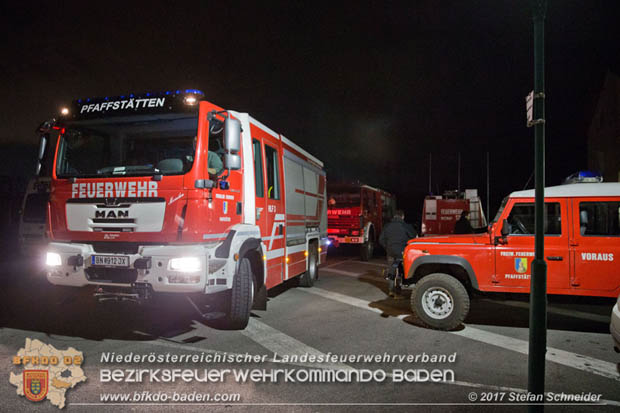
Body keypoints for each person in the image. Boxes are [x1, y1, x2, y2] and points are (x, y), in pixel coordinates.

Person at [379, 209, 417, 298]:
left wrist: (387, 247)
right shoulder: (406, 226)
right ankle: (399, 291)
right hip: (402, 252)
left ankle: (391, 291)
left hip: (391, 252)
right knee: (401, 271)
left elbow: (381, 239)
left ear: (394, 217)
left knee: (392, 271)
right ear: (402, 216)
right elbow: (414, 237)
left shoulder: (387, 226)